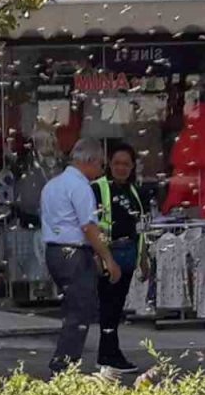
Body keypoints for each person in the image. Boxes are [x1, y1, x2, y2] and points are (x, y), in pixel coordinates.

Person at [40, 138, 121, 375]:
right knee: (81, 310)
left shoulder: (52, 185)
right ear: (90, 160)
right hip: (73, 252)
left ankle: (66, 363)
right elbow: (88, 227)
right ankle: (64, 366)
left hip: (55, 251)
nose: (101, 170)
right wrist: (108, 259)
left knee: (75, 308)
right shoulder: (80, 186)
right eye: (101, 165)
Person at [92, 143, 146, 374]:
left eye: (126, 164)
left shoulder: (134, 191)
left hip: (128, 253)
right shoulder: (98, 188)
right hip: (108, 253)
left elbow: (140, 226)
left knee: (117, 306)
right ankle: (107, 356)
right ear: (109, 165)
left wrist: (143, 257)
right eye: (117, 163)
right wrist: (99, 256)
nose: (121, 168)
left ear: (133, 166)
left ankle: (110, 354)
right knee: (108, 306)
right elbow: (91, 224)